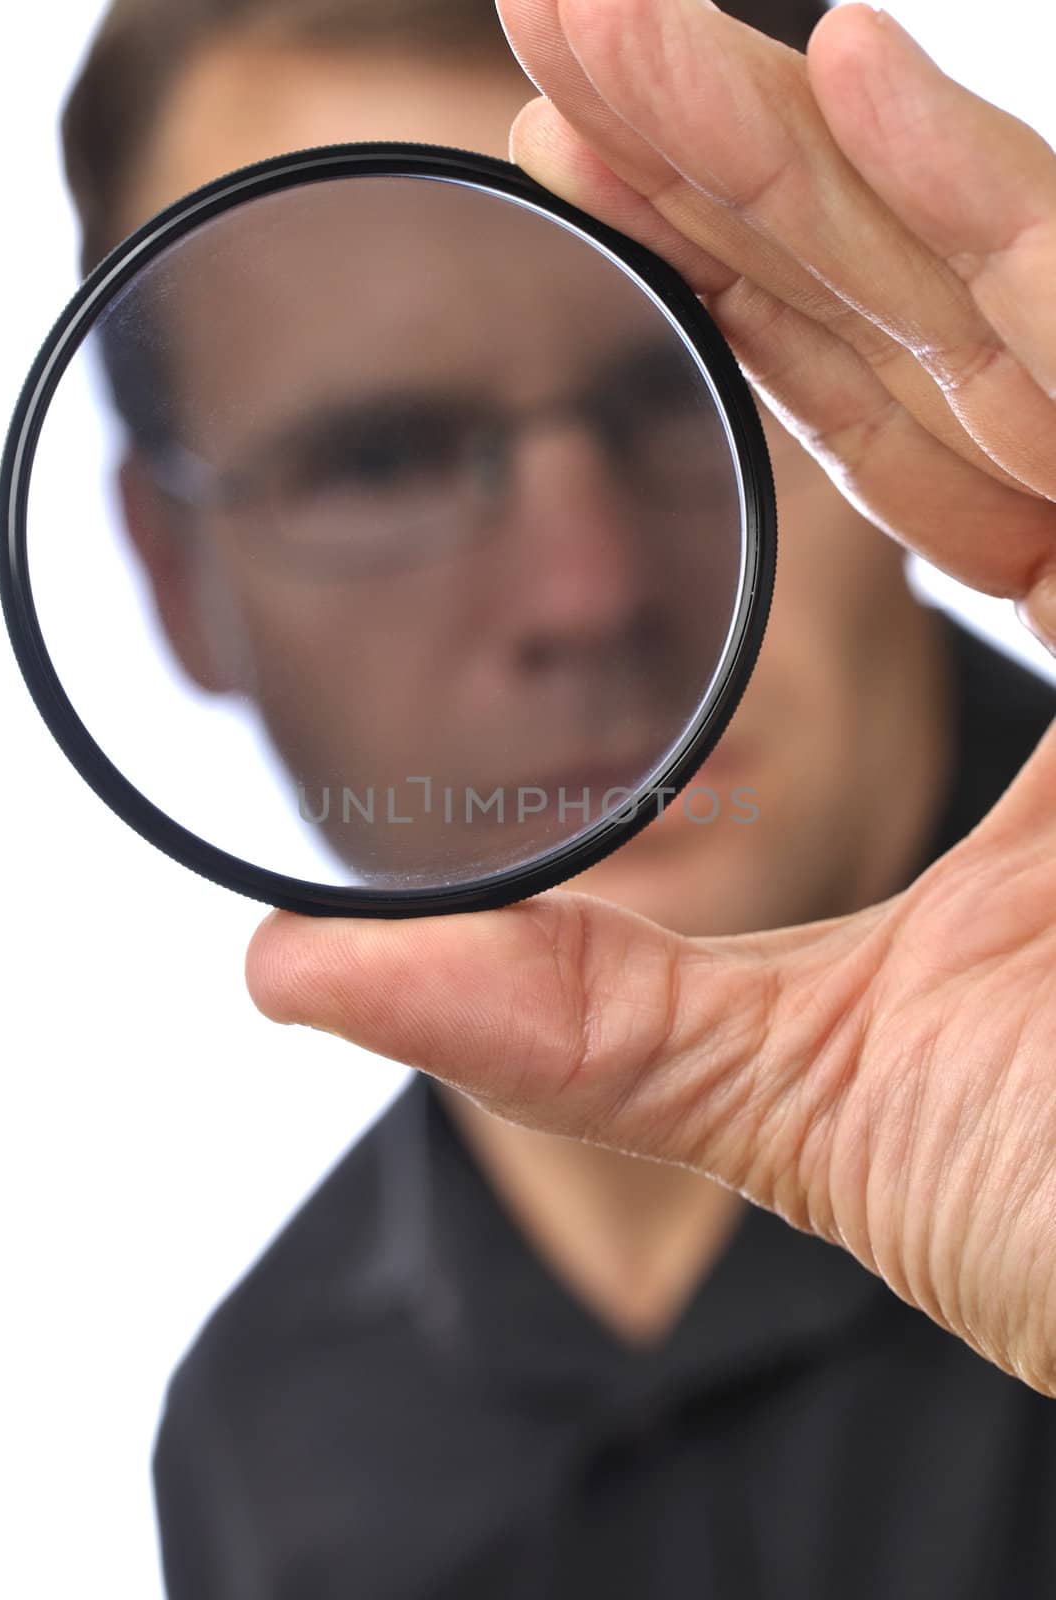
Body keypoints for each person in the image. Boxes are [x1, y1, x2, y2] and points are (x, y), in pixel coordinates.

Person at [60, 1, 1056, 1595]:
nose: (588, 595)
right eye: (380, 459)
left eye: (697, 394)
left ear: (899, 383)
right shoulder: (256, 1454)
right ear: (175, 577)